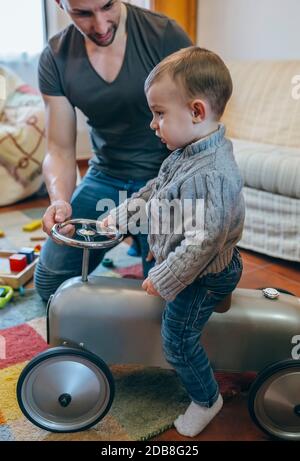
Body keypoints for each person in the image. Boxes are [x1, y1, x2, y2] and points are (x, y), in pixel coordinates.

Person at [103, 46, 245, 437]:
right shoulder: (186, 153)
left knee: (177, 340)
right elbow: (155, 190)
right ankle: (210, 301)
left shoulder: (210, 173)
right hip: (194, 258)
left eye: (159, 113)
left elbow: (203, 242)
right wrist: (120, 215)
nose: (153, 124)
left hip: (205, 272)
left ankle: (206, 399)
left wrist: (166, 276)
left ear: (197, 112)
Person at [35, 0, 192, 301]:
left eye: (107, 5)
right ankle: (135, 234)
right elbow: (59, 149)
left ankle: (140, 235)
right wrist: (59, 202)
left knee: (167, 295)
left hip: (164, 180)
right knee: (50, 286)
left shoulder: (165, 36)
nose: (102, 25)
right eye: (83, 13)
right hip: (106, 176)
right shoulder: (55, 57)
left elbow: (198, 130)